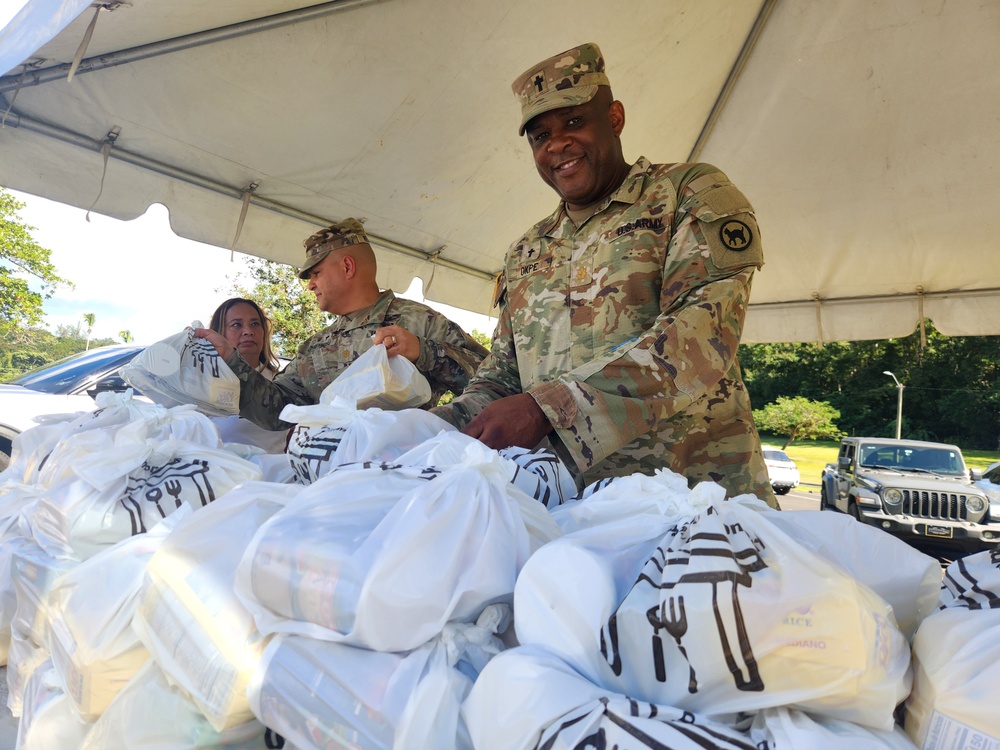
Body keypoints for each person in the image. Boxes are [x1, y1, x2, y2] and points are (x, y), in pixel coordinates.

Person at [430, 42, 777, 506]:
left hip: (695, 505)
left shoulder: (687, 194)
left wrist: (546, 409)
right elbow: (504, 372)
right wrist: (439, 426)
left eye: (574, 122)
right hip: (568, 509)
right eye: (539, 135)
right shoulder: (526, 250)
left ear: (614, 118)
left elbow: (699, 337)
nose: (557, 144)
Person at [195, 218, 488, 430]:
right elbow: (278, 410)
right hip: (329, 478)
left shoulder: (419, 322)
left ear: (347, 267)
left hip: (402, 474)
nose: (311, 286)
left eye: (316, 274)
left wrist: (425, 352)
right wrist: (231, 362)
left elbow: (492, 380)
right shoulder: (313, 348)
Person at [206, 297, 289, 452]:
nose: (248, 331)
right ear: (219, 333)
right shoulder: (201, 384)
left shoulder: (284, 384)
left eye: (255, 324)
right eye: (236, 325)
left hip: (275, 474)